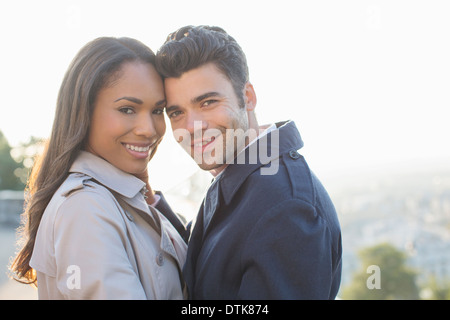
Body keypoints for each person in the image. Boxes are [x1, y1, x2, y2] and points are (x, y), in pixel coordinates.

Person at [155, 25, 342, 299]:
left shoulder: (285, 208)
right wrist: (153, 205)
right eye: (176, 112)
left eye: (207, 102)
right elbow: (215, 264)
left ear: (248, 97)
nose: (192, 126)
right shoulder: (241, 173)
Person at [10, 37, 187, 299]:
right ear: (84, 111)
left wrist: (150, 200)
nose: (149, 130)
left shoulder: (121, 195)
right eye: (127, 109)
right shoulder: (85, 208)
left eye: (157, 110)